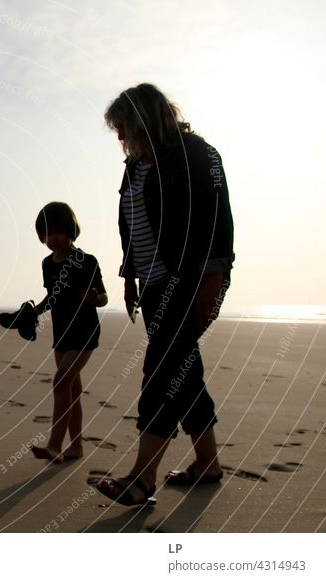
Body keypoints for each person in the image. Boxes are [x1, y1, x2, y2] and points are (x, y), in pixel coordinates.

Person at [96, 83, 235, 506]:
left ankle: (142, 477)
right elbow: (133, 225)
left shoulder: (197, 154)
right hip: (153, 285)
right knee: (184, 374)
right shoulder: (134, 167)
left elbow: (219, 222)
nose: (121, 139)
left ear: (145, 121)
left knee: (161, 372)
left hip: (189, 281)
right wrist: (129, 276)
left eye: (124, 129)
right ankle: (207, 464)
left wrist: (213, 283)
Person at [29, 202, 108, 464]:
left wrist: (94, 298)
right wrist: (33, 312)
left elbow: (104, 296)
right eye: (46, 234)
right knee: (71, 390)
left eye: (58, 232)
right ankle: (76, 447)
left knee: (61, 382)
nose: (52, 239)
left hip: (85, 332)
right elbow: (52, 297)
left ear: (70, 230)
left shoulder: (86, 261)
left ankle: (54, 446)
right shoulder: (47, 264)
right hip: (62, 332)